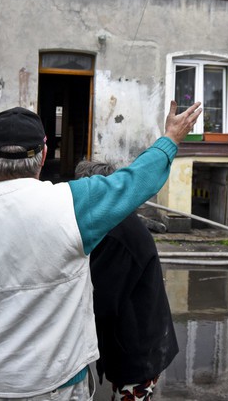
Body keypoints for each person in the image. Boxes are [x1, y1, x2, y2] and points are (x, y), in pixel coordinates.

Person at [0, 100, 202, 400]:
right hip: (59, 387)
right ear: (44, 155)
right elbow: (134, 182)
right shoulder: (72, 203)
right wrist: (170, 139)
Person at [74, 160, 179, 401]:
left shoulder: (117, 231)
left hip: (139, 350)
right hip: (138, 341)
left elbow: (101, 298)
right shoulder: (115, 222)